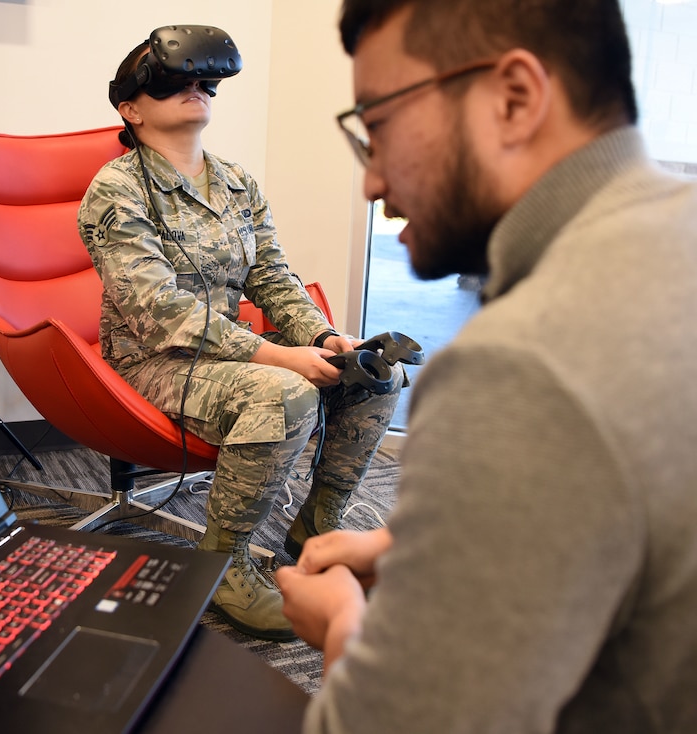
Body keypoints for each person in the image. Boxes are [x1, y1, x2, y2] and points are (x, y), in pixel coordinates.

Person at [276, 0, 697, 731]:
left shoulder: (520, 366)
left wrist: (346, 628)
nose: (372, 182)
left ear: (515, 100)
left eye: (379, 127)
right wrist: (442, 547)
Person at [77, 35, 403, 640]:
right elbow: (159, 312)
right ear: (132, 109)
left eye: (205, 83)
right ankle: (224, 563)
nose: (195, 91)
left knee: (377, 375)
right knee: (285, 394)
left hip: (227, 355)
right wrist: (281, 356)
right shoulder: (116, 189)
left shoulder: (238, 185)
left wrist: (326, 338)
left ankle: (319, 526)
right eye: (173, 84)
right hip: (152, 361)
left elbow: (273, 277)